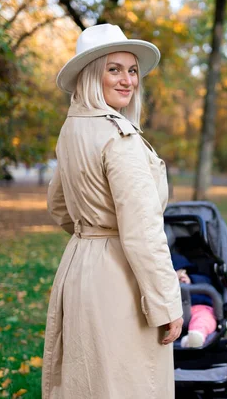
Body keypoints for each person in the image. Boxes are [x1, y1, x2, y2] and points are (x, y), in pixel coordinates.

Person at [42, 24, 183, 399]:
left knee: (87, 381)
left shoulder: (71, 130)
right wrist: (167, 303)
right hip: (119, 279)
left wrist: (91, 233)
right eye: (114, 69)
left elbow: (58, 206)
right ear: (91, 74)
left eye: (132, 70)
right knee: (130, 383)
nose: (127, 80)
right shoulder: (119, 139)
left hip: (79, 267)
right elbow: (141, 231)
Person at [171, 253, 217, 348]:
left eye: (184, 272)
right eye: (178, 275)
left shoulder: (199, 279)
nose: (183, 276)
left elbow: (207, 284)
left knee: (204, 318)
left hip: (199, 308)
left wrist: (191, 280)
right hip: (173, 312)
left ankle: (196, 336)